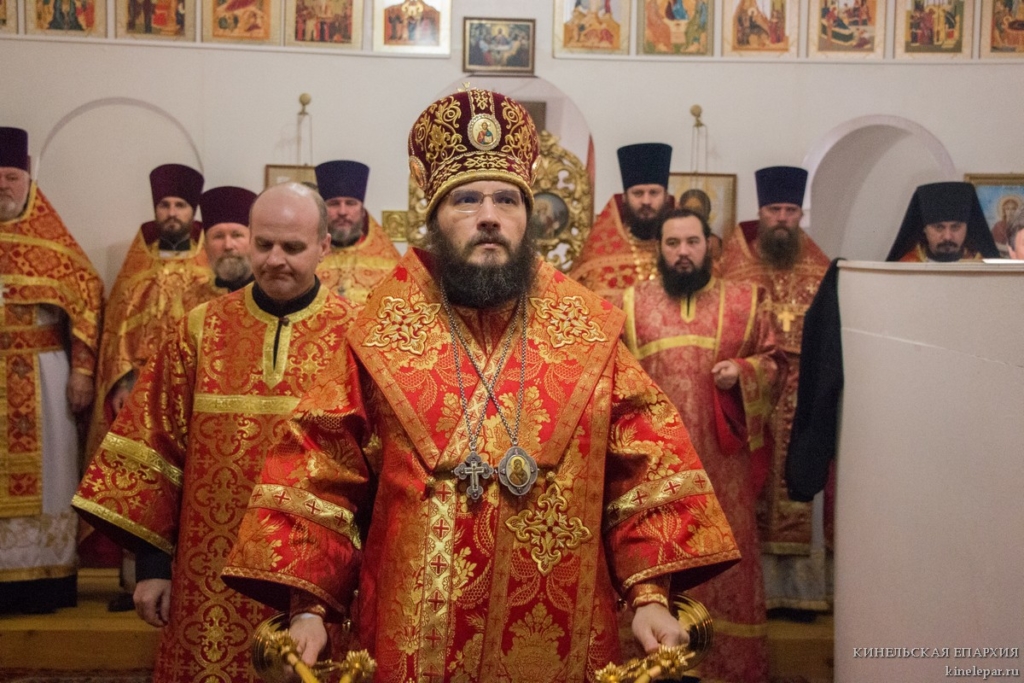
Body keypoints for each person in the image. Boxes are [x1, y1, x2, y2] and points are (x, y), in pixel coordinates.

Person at [221, 89, 740, 682]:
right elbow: (319, 472)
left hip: (559, 639)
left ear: (527, 216)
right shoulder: (379, 331)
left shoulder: (587, 331)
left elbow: (649, 467)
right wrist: (310, 608)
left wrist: (649, 595)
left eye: (507, 199)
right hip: (413, 635)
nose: (489, 215)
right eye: (467, 198)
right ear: (435, 217)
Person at [73, 182, 356, 683]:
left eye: (292, 247)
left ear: (323, 247)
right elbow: (155, 447)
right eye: (263, 244)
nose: (275, 260)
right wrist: (153, 568)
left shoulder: (355, 335)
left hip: (312, 585)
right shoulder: (199, 329)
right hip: (205, 580)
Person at [623, 208, 785, 683]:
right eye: (672, 243)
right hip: (656, 469)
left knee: (725, 563)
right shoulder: (632, 303)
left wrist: (745, 372)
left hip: (723, 471)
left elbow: (776, 364)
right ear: (658, 249)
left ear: (709, 246)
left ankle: (727, 669)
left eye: (692, 242)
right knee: (657, 558)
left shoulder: (745, 301)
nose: (683, 252)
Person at [719, 165, 831, 616]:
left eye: (790, 210)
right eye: (774, 209)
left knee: (799, 486)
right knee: (751, 487)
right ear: (760, 212)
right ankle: (751, 592)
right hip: (752, 395)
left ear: (800, 214)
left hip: (802, 396)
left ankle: (801, 593)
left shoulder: (820, 268)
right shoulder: (732, 264)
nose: (782, 218)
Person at [0, 127, 103, 614]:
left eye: (11, 177)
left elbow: (87, 301)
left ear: (28, 182)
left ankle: (44, 580)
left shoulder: (53, 243)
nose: (3, 186)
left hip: (41, 372)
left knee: (51, 473)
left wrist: (81, 371)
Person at [569, 142, 673, 307]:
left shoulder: (684, 250)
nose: (646, 201)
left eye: (654, 193)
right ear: (624, 198)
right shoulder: (599, 253)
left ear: (666, 197)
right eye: (638, 193)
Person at [313, 160, 400, 308]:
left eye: (350, 203)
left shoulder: (389, 262)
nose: (342, 212)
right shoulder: (309, 256)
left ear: (362, 211)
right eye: (334, 203)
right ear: (323, 210)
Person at [180, 185, 256, 310]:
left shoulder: (272, 296)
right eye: (218, 236)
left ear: (254, 241)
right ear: (205, 246)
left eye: (237, 235)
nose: (228, 245)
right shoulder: (190, 301)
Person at [885, 181, 999, 263]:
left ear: (967, 227)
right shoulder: (905, 267)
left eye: (955, 227)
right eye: (939, 227)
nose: (947, 237)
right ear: (924, 228)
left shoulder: (984, 269)